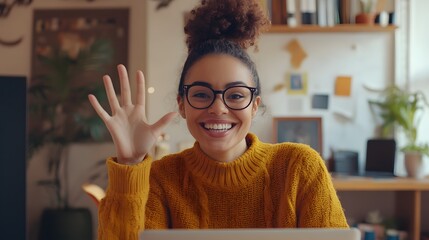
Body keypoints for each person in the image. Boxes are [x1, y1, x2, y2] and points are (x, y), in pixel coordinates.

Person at [88, 0, 348, 239]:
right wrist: (130, 163)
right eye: (201, 94)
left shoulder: (299, 168)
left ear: (255, 106)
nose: (218, 108)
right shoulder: (160, 179)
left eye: (235, 95)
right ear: (182, 104)